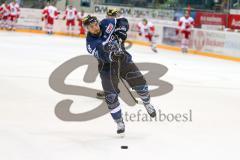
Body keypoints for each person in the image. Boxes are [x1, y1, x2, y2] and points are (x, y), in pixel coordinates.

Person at [83, 15, 157, 135]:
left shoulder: (107, 23)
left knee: (140, 83)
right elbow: (102, 55)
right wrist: (111, 55)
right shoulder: (91, 43)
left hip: (123, 59)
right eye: (91, 27)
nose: (95, 27)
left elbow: (122, 21)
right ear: (87, 29)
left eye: (95, 24)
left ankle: (147, 103)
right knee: (111, 97)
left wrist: (121, 30)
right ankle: (119, 122)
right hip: (107, 67)